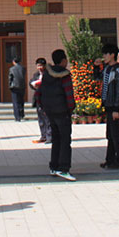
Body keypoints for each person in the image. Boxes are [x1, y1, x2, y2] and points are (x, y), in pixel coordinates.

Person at [39, 49, 75, 181]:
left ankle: (54, 166)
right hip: (62, 112)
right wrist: (71, 109)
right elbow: (69, 95)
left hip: (50, 112)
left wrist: (44, 107)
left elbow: (40, 92)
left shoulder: (46, 74)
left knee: (56, 139)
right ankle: (64, 168)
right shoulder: (65, 75)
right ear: (63, 60)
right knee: (65, 140)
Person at [100, 43, 119, 170]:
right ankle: (109, 159)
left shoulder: (118, 70)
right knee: (110, 134)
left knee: (116, 134)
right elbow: (97, 78)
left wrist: (117, 108)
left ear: (112, 55)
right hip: (108, 105)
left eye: (106, 54)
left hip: (114, 106)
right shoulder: (106, 69)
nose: (104, 56)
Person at [29, 57, 51, 144]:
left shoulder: (49, 74)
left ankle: (49, 136)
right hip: (38, 99)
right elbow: (31, 82)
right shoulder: (36, 75)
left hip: (47, 98)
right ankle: (43, 135)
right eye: (38, 66)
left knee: (48, 118)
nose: (39, 68)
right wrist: (33, 84)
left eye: (41, 66)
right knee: (41, 118)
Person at [8, 57, 26, 121]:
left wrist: (10, 85)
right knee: (21, 101)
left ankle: (17, 117)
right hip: (22, 86)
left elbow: (10, 78)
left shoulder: (12, 69)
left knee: (15, 102)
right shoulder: (23, 68)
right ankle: (22, 115)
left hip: (15, 87)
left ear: (13, 62)